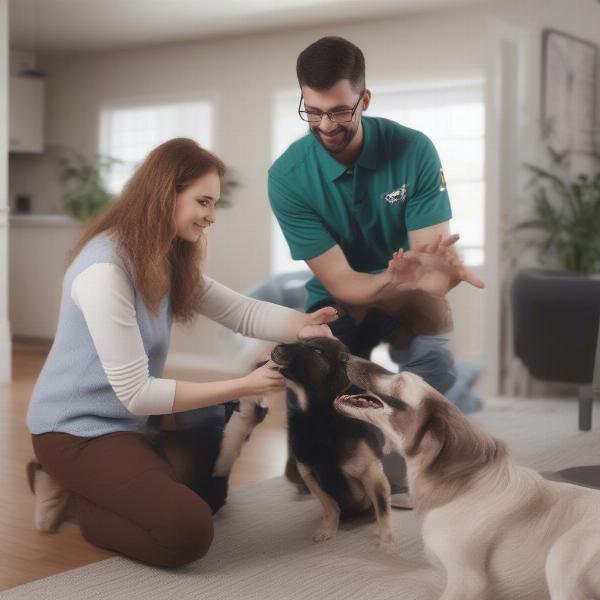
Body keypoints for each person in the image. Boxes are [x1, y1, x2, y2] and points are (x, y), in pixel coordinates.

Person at [25, 138, 338, 568]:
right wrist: (245, 384)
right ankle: (75, 496)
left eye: (214, 204)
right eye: (203, 202)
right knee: (187, 532)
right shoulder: (104, 271)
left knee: (208, 494)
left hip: (128, 424)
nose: (211, 216)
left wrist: (305, 325)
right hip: (76, 432)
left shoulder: (163, 257)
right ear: (164, 193)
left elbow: (239, 310)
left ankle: (110, 485)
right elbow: (137, 393)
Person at [267, 36, 485, 496]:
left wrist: (436, 275)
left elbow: (428, 260)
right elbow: (342, 281)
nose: (325, 124)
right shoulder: (287, 177)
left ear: (364, 99)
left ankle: (417, 444)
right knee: (314, 363)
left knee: (434, 344)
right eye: (313, 111)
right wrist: (395, 277)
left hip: (405, 293)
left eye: (340, 110)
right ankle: (313, 452)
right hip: (342, 295)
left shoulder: (413, 150)